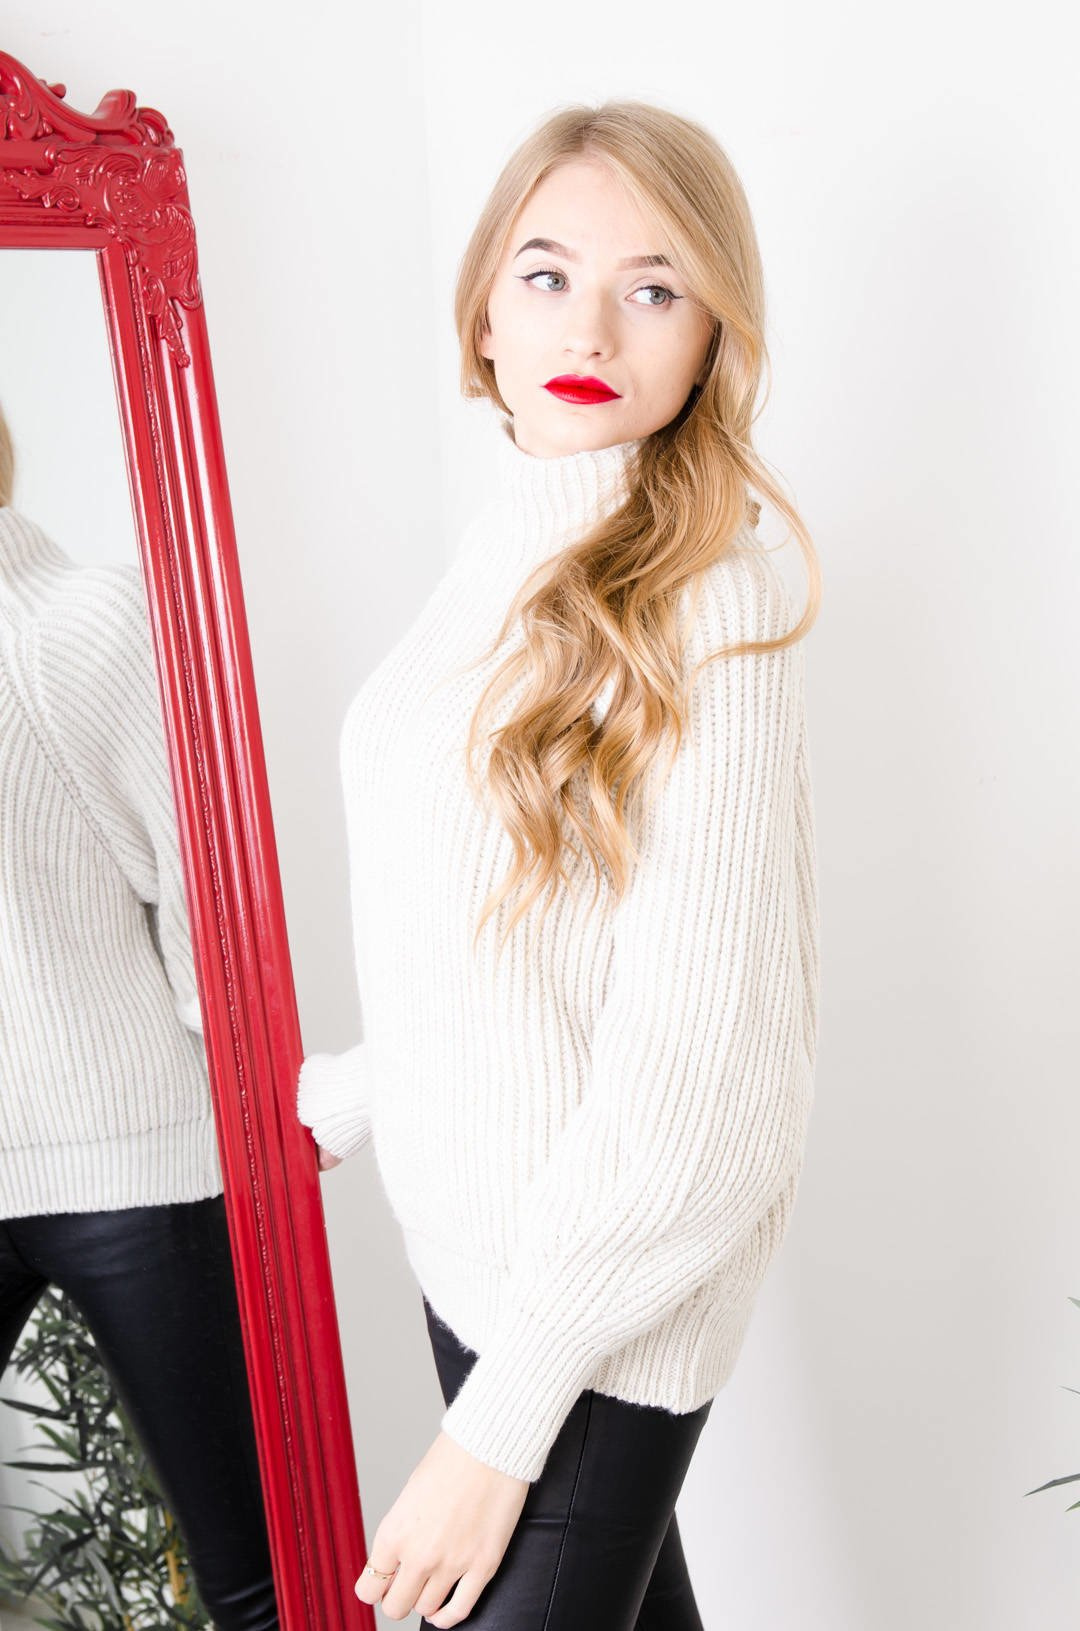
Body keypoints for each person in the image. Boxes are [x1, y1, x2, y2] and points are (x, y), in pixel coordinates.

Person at [297, 97, 822, 1630]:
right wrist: (346, 1093)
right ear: (483, 309)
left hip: (589, 1319)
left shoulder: (713, 602)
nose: (590, 325)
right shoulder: (506, 555)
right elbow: (498, 935)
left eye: (653, 287)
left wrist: (496, 1424)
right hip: (479, 1263)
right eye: (546, 274)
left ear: (713, 335)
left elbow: (713, 1073)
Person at [0, 404, 280, 1631]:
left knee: (257, 1574)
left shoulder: (85, 621)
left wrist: (268, 1114)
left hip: (131, 1161)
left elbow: (211, 913)